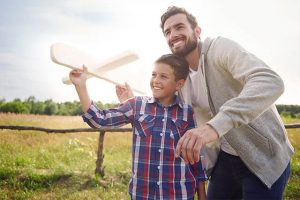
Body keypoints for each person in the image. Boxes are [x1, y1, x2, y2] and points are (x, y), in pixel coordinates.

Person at [117, 6, 294, 200]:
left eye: (179, 27)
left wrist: (214, 127)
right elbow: (166, 113)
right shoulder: (180, 79)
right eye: (168, 32)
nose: (173, 35)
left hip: (262, 156)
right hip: (225, 160)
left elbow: (270, 81)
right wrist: (131, 103)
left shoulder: (220, 48)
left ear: (197, 31)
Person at [69, 54, 207, 200]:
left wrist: (202, 195)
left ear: (179, 84)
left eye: (163, 76)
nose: (156, 80)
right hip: (143, 195)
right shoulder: (136, 105)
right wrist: (80, 85)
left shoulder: (187, 113)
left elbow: (196, 159)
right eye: (154, 75)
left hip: (180, 194)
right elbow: (100, 120)